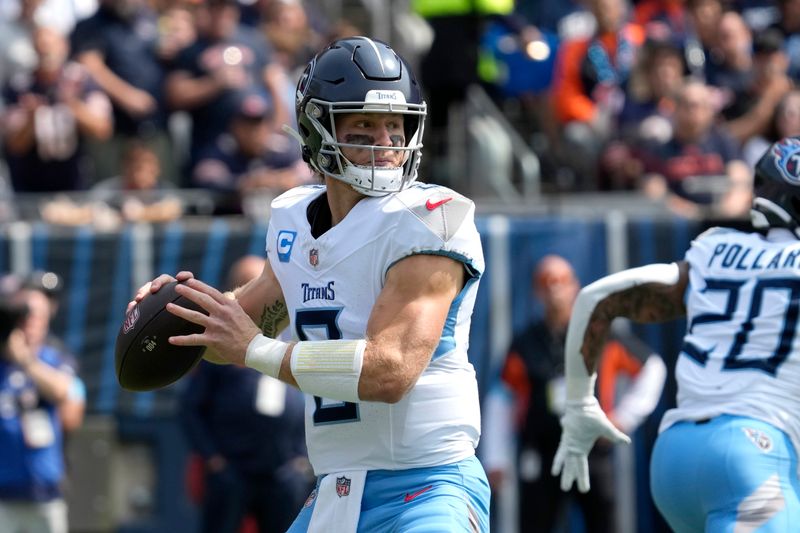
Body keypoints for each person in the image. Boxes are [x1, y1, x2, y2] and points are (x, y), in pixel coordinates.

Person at [128, 36, 490, 532]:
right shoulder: (294, 219)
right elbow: (234, 333)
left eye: (395, 124)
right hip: (335, 492)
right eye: (364, 125)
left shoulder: (431, 219)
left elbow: (391, 371)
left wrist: (256, 350)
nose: (386, 144)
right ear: (316, 130)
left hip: (427, 487)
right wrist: (181, 309)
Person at [552, 135, 800, 531]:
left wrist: (580, 404)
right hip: (753, 456)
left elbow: (597, 297)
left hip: (675, 457)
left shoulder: (715, 247)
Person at [489, 255, 665, 532]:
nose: (553, 289)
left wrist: (625, 417)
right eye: (545, 282)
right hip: (543, 452)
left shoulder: (601, 334)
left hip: (592, 451)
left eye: (560, 281)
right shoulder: (525, 343)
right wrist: (496, 458)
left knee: (605, 524)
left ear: (575, 286)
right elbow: (501, 397)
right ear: (536, 291)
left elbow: (652, 368)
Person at [180, 255, 312, 533]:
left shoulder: (295, 331)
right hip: (234, 468)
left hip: (282, 470)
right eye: (250, 283)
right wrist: (215, 460)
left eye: (264, 282)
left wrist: (300, 457)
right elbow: (191, 408)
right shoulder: (218, 346)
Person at [0, 276, 86, 533]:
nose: (30, 321)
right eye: (24, 314)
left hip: (44, 489)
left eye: (37, 314)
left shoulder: (54, 356)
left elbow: (63, 391)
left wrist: (25, 361)